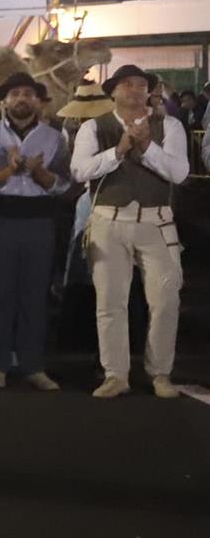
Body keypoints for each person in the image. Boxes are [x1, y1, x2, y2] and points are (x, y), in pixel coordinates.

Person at [71, 65, 189, 398]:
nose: (135, 90)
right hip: (109, 219)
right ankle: (115, 374)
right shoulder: (94, 127)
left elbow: (179, 173)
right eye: (126, 84)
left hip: (157, 221)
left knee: (166, 299)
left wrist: (148, 146)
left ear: (150, 91)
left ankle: (161, 373)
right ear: (113, 91)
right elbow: (80, 169)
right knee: (110, 302)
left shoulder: (170, 126)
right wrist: (118, 150)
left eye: (141, 85)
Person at [0, 71, 71, 390]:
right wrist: (8, 171)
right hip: (0, 221)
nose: (21, 99)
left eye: (28, 94)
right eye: (14, 94)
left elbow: (63, 184)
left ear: (39, 101)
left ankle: (32, 365)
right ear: (3, 102)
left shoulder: (55, 138)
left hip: (39, 222)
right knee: (0, 294)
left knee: (34, 295)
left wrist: (39, 172)